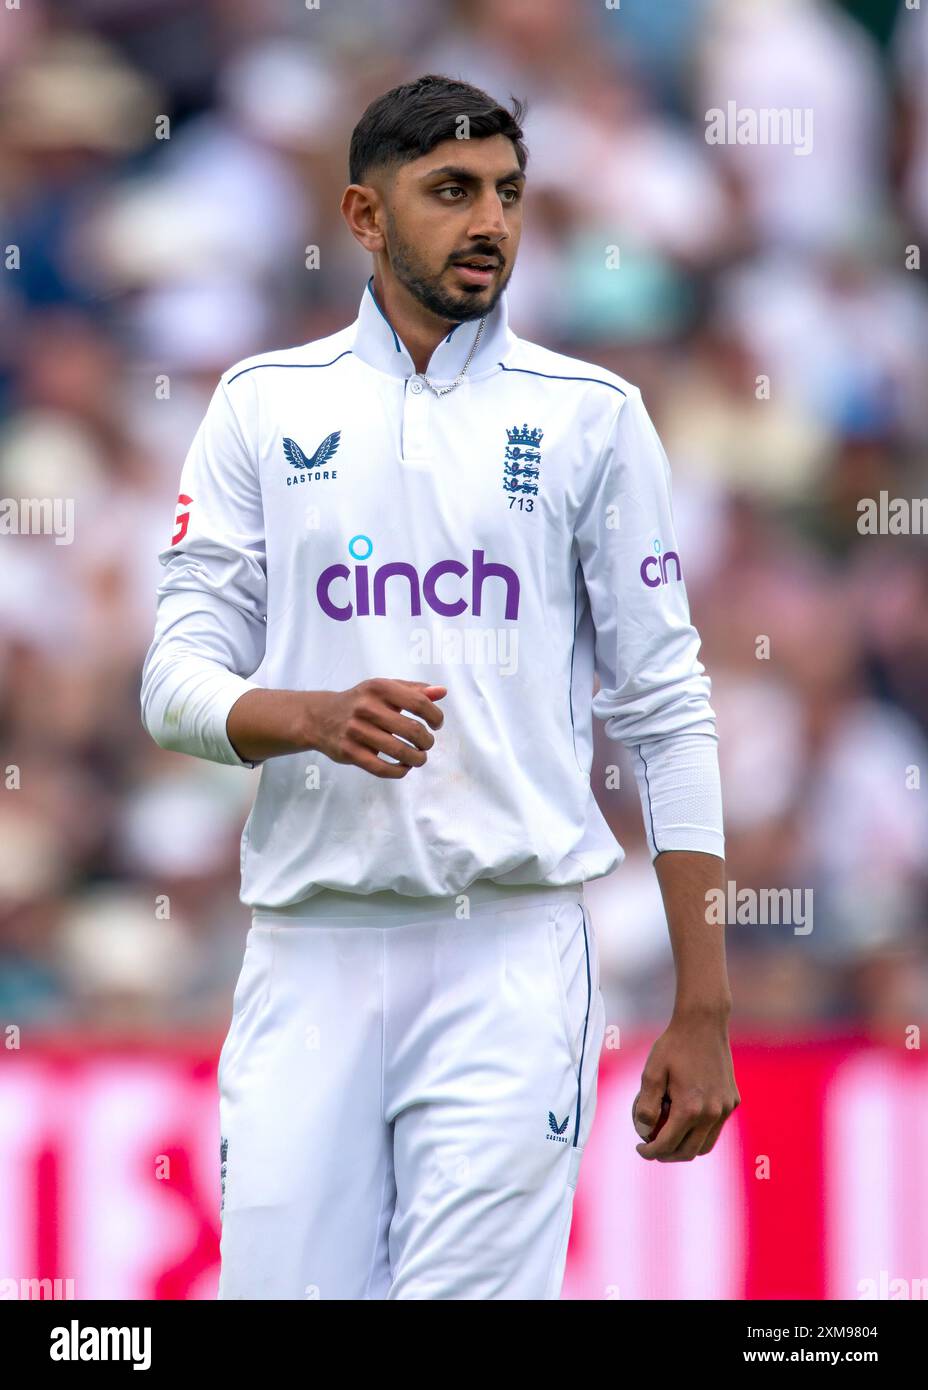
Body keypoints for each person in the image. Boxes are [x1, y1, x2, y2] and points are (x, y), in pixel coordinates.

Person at [140, 73, 739, 1301]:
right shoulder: (263, 404)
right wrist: (302, 715)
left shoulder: (593, 417)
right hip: (308, 947)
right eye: (451, 192)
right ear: (363, 216)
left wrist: (705, 1003)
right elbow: (171, 680)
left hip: (511, 952)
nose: (490, 224)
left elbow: (667, 709)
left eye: (510, 194)